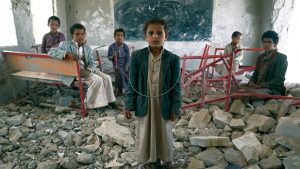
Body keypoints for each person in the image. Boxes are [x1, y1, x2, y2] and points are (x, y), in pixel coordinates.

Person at [124, 18, 182, 169]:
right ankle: (151, 160)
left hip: (164, 104)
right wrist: (129, 105)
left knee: (164, 131)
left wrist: (175, 108)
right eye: (151, 33)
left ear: (165, 36)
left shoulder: (173, 59)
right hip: (145, 103)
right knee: (146, 131)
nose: (155, 36)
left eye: (159, 33)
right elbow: (132, 83)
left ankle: (167, 159)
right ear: (146, 36)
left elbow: (176, 88)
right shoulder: (137, 57)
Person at [48, 23, 121, 110]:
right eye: (77, 34)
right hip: (73, 72)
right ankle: (88, 104)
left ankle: (111, 101)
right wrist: (66, 53)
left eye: (82, 34)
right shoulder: (64, 45)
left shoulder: (87, 48)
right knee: (97, 80)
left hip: (86, 70)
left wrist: (89, 70)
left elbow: (92, 63)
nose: (80, 36)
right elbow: (51, 52)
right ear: (72, 35)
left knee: (107, 78)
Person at [242, 30, 288, 99]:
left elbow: (278, 80)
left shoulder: (281, 58)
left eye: (269, 42)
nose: (266, 44)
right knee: (234, 87)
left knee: (252, 94)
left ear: (275, 44)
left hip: (272, 89)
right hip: (257, 85)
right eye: (264, 42)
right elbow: (256, 73)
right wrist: (251, 82)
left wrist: (260, 86)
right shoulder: (260, 57)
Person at [107, 28, 130, 96]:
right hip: (116, 65)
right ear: (114, 37)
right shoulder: (111, 47)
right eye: (118, 35)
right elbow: (109, 57)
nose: (119, 37)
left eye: (121, 35)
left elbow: (128, 58)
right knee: (121, 73)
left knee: (130, 71)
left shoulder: (125, 47)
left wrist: (126, 66)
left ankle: (122, 88)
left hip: (125, 64)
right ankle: (121, 90)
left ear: (123, 37)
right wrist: (113, 57)